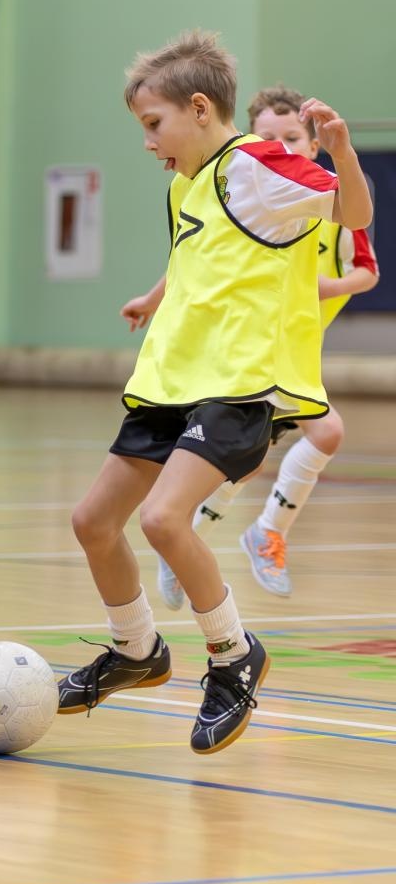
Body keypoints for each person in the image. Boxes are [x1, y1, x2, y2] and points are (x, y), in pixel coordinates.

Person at [56, 30, 373, 755]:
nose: (148, 143)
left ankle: (234, 657)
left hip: (239, 385)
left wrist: (343, 152)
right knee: (93, 522)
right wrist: (153, 298)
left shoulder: (259, 165)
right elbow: (195, 263)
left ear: (200, 109)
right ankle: (136, 649)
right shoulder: (184, 184)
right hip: (171, 382)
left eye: (153, 124)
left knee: (165, 520)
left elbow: (352, 216)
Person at [154, 86, 379, 606]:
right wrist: (151, 298)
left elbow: (368, 271)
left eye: (293, 137)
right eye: (268, 137)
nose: (281, 146)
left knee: (257, 458)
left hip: (293, 355)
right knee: (293, 443)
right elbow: (192, 259)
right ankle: (237, 534)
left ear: (314, 144)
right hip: (249, 354)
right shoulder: (245, 190)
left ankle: (212, 535)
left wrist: (327, 287)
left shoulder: (329, 202)